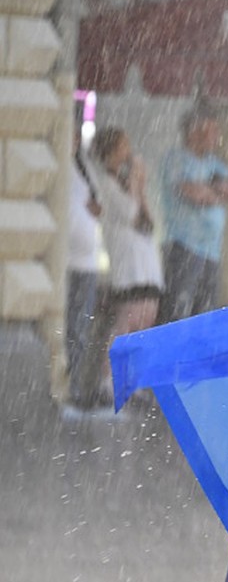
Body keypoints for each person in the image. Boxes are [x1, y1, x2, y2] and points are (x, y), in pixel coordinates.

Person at [89, 126, 164, 402]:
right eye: (123, 145)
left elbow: (147, 221)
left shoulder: (123, 182)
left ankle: (134, 380)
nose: (128, 150)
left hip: (145, 264)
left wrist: (141, 189)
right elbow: (128, 213)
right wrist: (135, 183)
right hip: (128, 264)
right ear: (111, 150)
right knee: (126, 322)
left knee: (145, 320)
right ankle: (107, 381)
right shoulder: (107, 183)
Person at [159, 106, 228, 321]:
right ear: (195, 132)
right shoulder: (177, 159)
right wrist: (216, 189)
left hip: (211, 252)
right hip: (184, 248)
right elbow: (194, 193)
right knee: (179, 312)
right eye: (213, 131)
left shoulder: (212, 163)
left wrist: (210, 188)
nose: (217, 137)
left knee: (206, 315)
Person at [63, 123, 104, 416]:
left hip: (87, 262)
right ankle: (67, 386)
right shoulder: (55, 163)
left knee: (80, 327)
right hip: (67, 261)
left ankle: (76, 385)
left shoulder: (83, 166)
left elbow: (98, 205)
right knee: (68, 326)